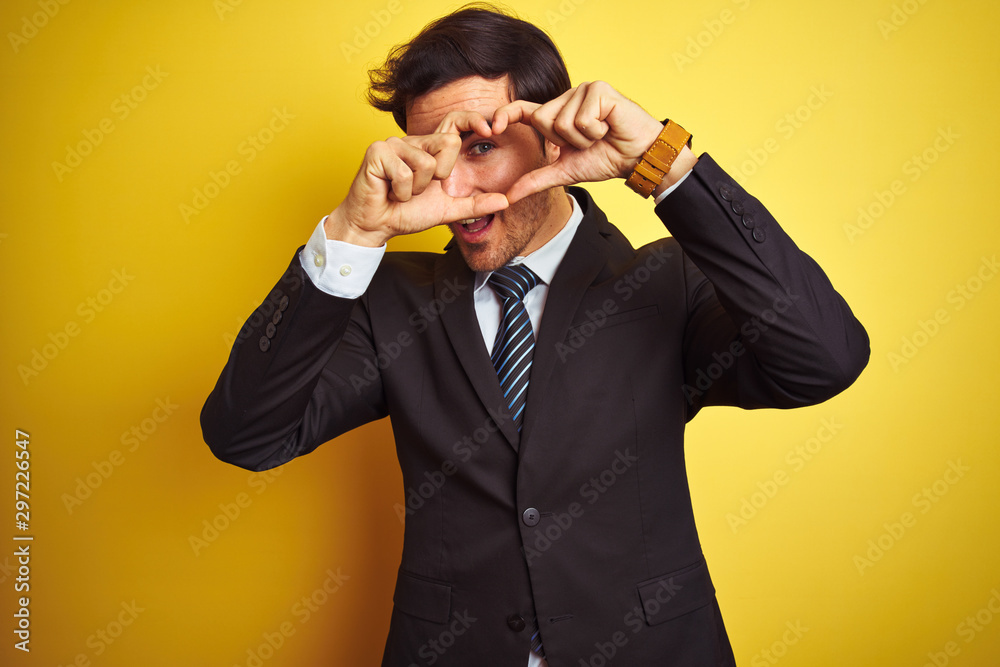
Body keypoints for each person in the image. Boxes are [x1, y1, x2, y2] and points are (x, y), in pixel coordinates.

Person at [201, 5, 869, 666]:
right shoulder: (389, 300)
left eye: (480, 147)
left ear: (553, 139)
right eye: (432, 154)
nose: (452, 184)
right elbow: (247, 437)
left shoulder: (667, 282)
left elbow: (826, 358)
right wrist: (352, 231)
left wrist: (664, 165)